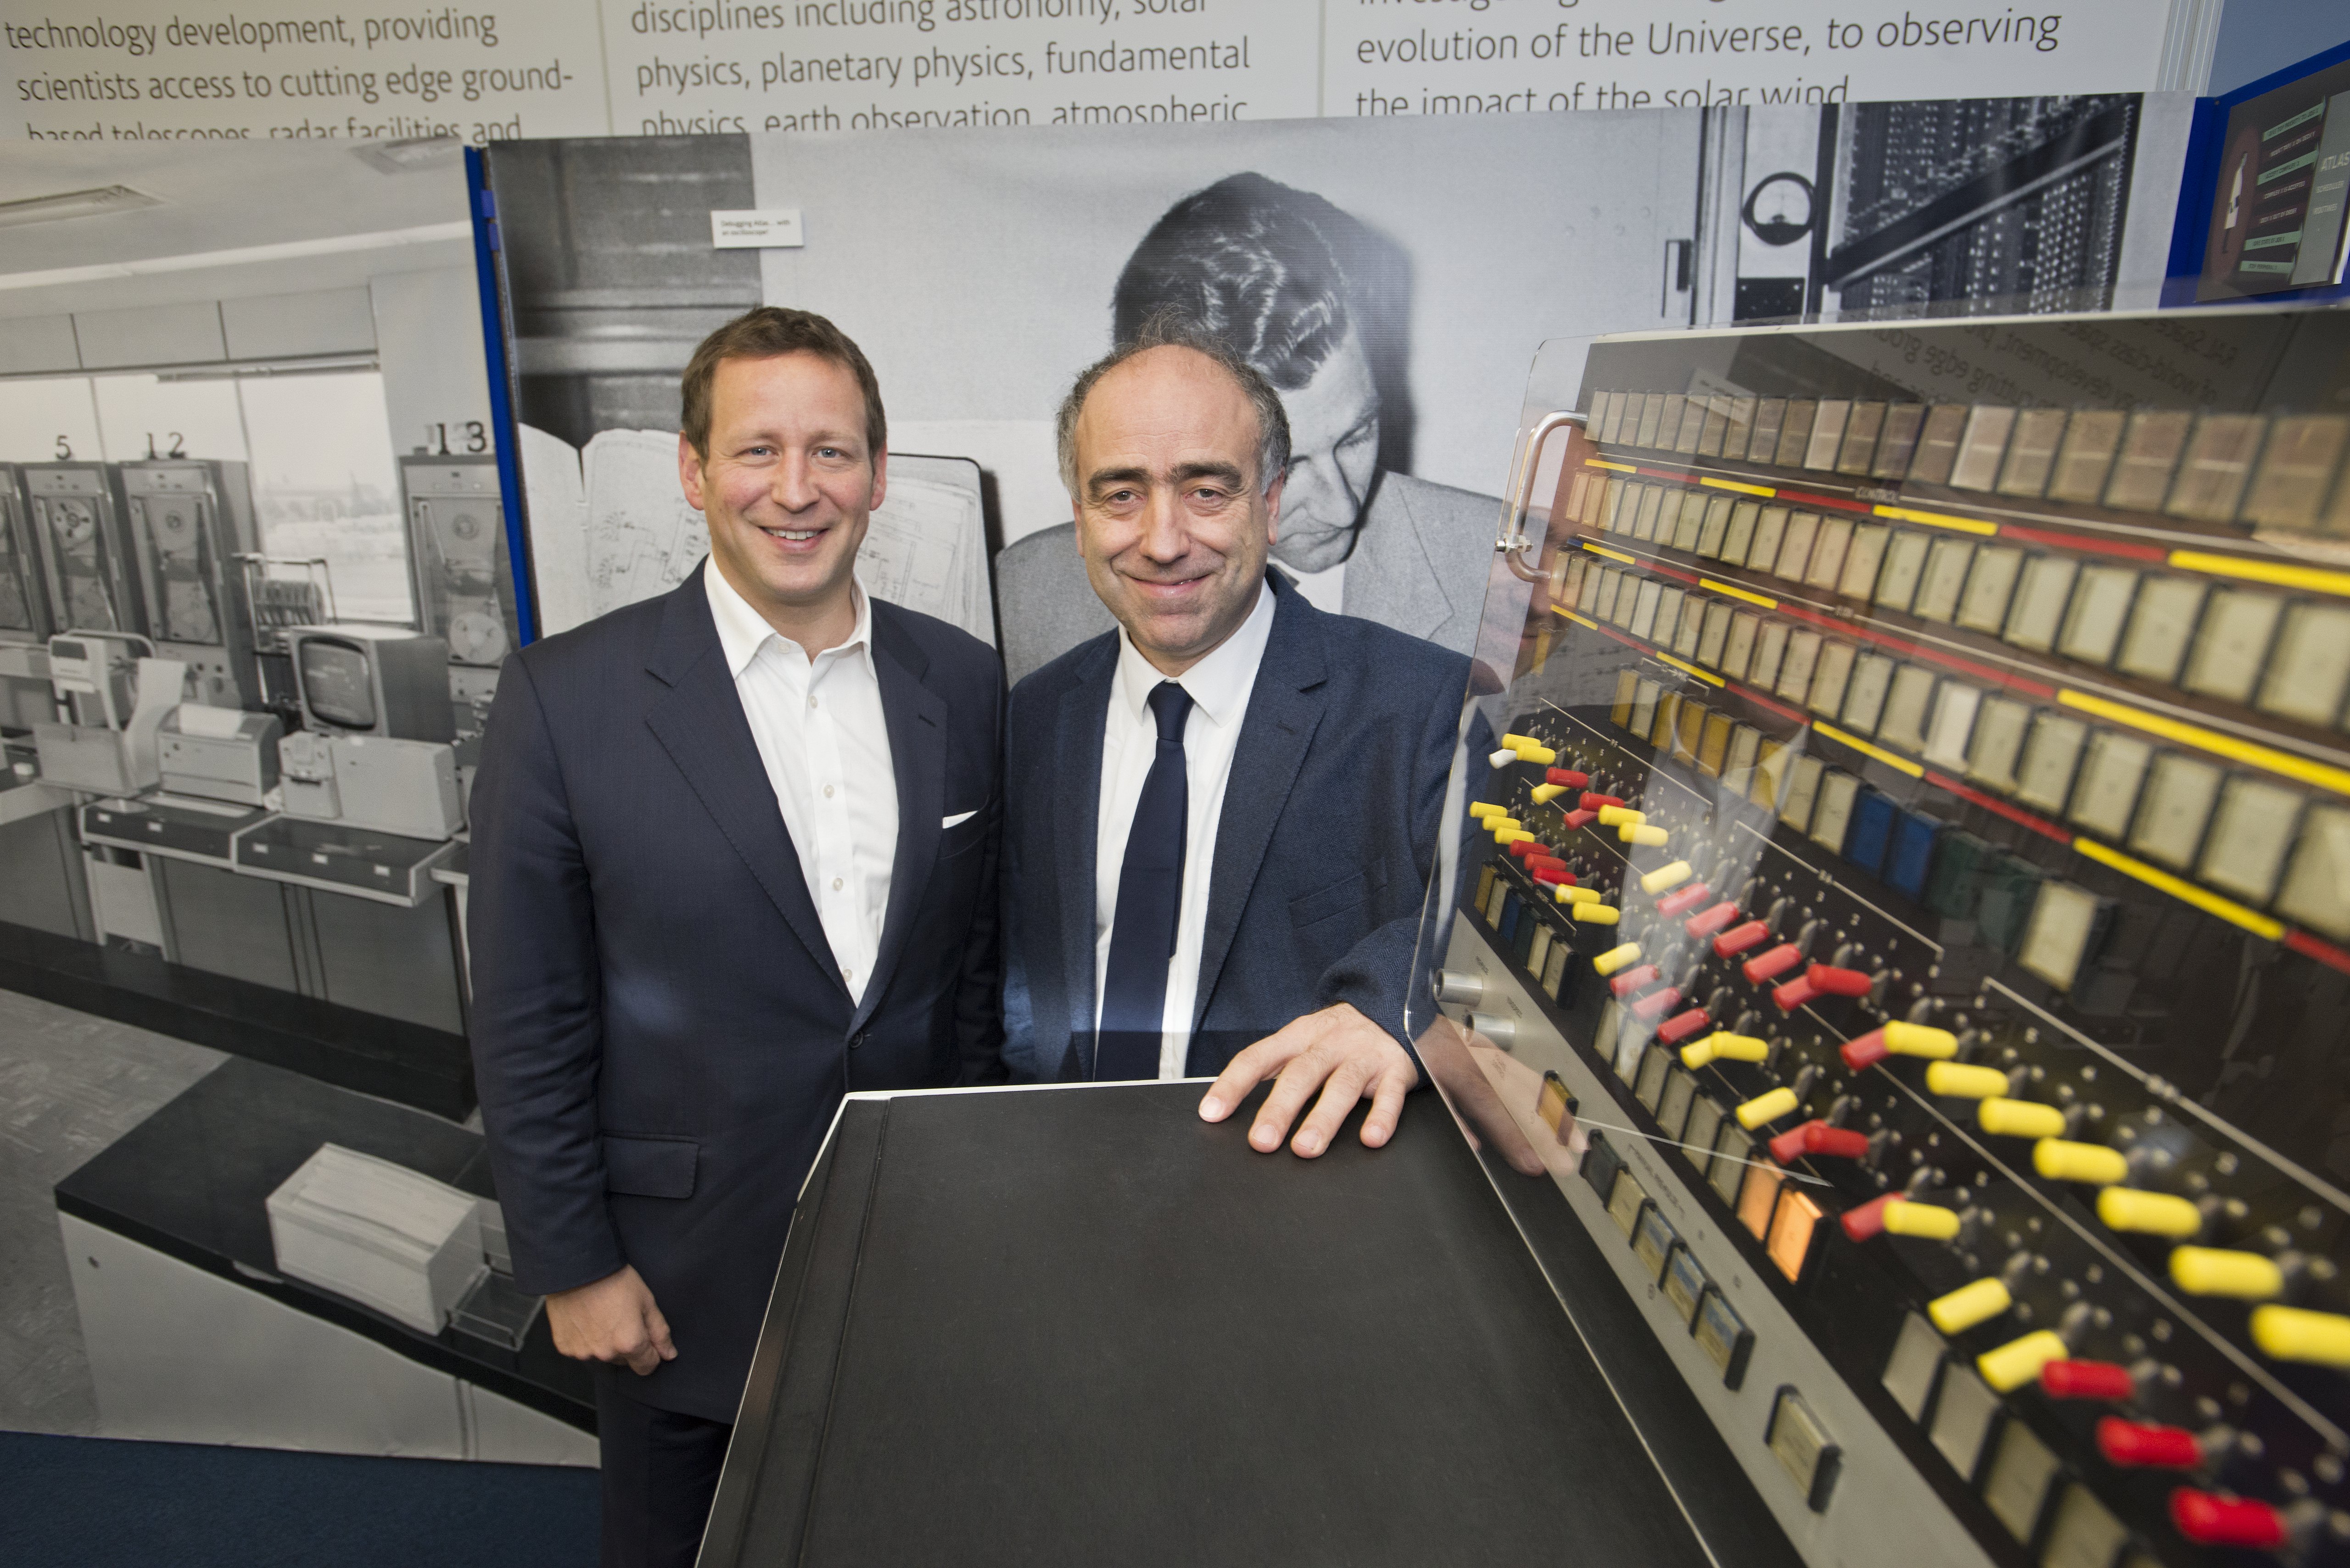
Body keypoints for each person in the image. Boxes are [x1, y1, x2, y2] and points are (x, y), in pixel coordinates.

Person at [467, 307, 1003, 1568]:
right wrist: (572, 1263)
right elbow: (528, 1016)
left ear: (877, 474)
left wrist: (981, 1197)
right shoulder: (565, 699)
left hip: (916, 1266)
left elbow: (971, 976)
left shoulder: (964, 681)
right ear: (694, 471)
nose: (796, 489)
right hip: (673, 1289)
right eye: (757, 450)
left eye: (832, 451)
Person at [1001, 318, 1470, 1157]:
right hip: (1068, 1177)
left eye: (1207, 491)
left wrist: (1392, 1008)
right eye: (1121, 494)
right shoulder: (1034, 719)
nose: (1163, 541)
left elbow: (1505, 925)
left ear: (1271, 502)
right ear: (1079, 519)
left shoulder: (1425, 704)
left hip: (1305, 1186)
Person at [995, 172, 1497, 684]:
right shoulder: (1028, 590)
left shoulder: (1504, 570)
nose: (1342, 508)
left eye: (1357, 435)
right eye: (1288, 464)